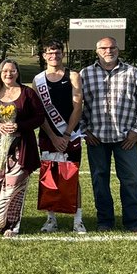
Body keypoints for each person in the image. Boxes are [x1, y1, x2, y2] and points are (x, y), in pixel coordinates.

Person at [80, 37, 137, 232]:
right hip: (97, 138)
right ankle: (105, 221)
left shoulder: (132, 72)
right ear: (97, 51)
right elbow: (77, 106)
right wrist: (85, 130)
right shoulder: (85, 74)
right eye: (103, 48)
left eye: (112, 47)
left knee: (131, 180)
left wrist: (136, 133)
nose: (108, 51)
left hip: (125, 139)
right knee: (99, 180)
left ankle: (133, 221)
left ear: (118, 50)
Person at [0, 58, 44, 236]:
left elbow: (39, 117)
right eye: (5, 71)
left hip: (20, 147)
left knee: (14, 185)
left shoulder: (27, 93)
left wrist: (18, 126)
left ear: (18, 72)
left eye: (13, 70)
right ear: (0, 73)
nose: (9, 74)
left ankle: (10, 225)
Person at [34, 41, 87, 234]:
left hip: (70, 134)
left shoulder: (73, 76)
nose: (53, 55)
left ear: (62, 54)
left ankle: (78, 219)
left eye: (56, 52)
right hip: (48, 135)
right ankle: (51, 219)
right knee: (49, 176)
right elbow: (39, 112)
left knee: (72, 175)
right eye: (49, 52)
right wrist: (53, 135)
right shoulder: (38, 80)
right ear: (43, 56)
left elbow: (78, 106)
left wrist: (65, 134)